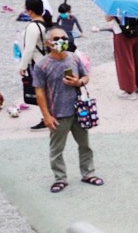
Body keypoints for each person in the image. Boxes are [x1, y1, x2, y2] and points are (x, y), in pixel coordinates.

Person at [32, 28, 102, 193]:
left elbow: (86, 77)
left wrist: (78, 82)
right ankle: (60, 178)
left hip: (79, 111)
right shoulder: (42, 65)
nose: (61, 40)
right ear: (48, 43)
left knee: (85, 145)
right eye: (57, 38)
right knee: (57, 149)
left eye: (64, 37)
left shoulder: (73, 58)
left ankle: (88, 173)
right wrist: (46, 116)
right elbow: (39, 92)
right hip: (58, 114)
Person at [109, 12, 138, 98]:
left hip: (122, 33)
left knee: (125, 62)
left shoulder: (116, 2)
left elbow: (108, 18)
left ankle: (129, 91)